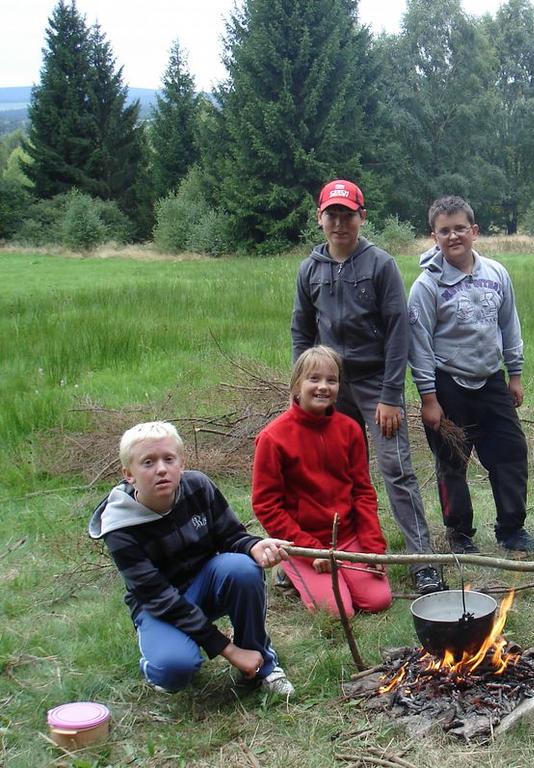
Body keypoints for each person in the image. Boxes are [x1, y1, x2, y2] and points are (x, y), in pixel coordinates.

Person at [291, 179, 444, 595]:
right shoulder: (310, 269)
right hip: (329, 388)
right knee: (332, 473)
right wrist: (303, 388)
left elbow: (398, 333)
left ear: (362, 216)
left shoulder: (380, 265)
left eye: (348, 214)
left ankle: (422, 561)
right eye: (332, 214)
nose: (339, 223)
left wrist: (392, 396)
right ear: (320, 218)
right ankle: (334, 552)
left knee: (396, 469)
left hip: (377, 385)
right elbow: (301, 332)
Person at [88, 421, 294, 696]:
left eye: (168, 459)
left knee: (243, 567)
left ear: (181, 464)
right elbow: (159, 598)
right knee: (174, 670)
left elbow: (231, 535)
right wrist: (228, 649)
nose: (161, 469)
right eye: (148, 462)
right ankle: (156, 662)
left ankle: (262, 665)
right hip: (160, 606)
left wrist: (254, 546)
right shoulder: (118, 527)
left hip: (205, 583)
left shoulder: (198, 486)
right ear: (129, 474)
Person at [407, 195, 534, 554]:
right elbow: (418, 347)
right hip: (449, 386)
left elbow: (510, 326)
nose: (453, 237)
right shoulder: (426, 286)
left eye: (460, 228)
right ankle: (460, 533)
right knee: (452, 462)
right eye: (444, 231)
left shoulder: (497, 274)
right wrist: (429, 399)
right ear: (433, 235)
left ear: (474, 231)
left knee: (510, 452)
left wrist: (515, 374)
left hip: (491, 379)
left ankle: (511, 529)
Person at [252, 345, 393, 618]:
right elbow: (266, 505)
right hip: (303, 542)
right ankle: (291, 570)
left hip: (348, 537)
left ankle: (340, 573)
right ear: (297, 385)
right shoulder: (273, 438)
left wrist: (373, 547)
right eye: (314, 379)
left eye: (332, 380)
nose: (323, 387)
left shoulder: (349, 429)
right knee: (340, 613)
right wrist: (309, 550)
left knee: (379, 601)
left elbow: (363, 492)